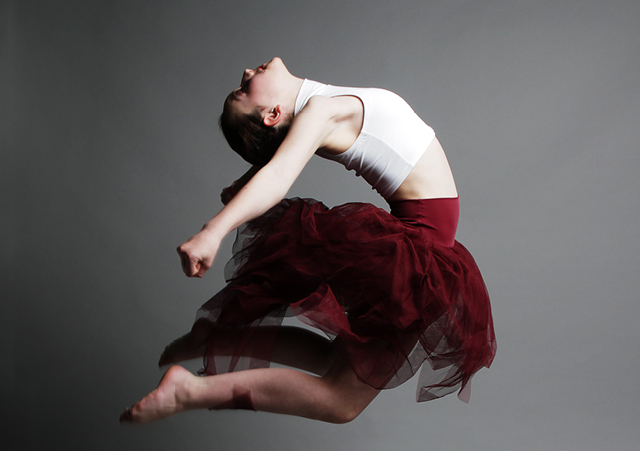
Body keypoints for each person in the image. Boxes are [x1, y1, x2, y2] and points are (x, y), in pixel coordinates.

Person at [120, 57, 496, 425]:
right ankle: (188, 392)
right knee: (341, 402)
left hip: (420, 248)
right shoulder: (321, 112)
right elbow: (279, 173)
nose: (247, 72)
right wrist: (212, 230)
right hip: (420, 252)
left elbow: (278, 160)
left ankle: (221, 342)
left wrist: (244, 186)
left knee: (334, 362)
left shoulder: (318, 108)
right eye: (243, 89)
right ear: (271, 114)